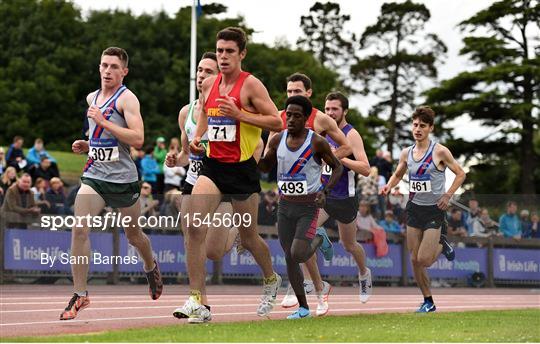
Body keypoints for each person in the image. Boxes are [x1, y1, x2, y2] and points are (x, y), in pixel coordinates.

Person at [182, 27, 285, 321]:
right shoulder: (210, 84)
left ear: (242, 54)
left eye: (229, 51)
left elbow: (276, 122)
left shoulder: (251, 85)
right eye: (219, 51)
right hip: (213, 167)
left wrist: (240, 115)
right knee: (193, 227)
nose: (223, 56)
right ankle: (197, 302)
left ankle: (270, 278)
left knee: (249, 237)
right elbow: (204, 111)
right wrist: (197, 138)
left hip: (242, 171)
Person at [64, 47, 163, 320]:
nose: (107, 71)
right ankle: (80, 293)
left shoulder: (127, 99)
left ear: (124, 72)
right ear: (98, 68)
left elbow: (138, 139)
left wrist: (104, 122)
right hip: (95, 175)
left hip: (122, 180)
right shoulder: (91, 97)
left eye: (113, 67)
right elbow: (101, 136)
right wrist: (88, 145)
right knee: (79, 228)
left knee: (134, 236)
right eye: (104, 65)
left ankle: (150, 264)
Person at [258, 95, 343, 319]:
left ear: (306, 118)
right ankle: (304, 308)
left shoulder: (316, 142)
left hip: (308, 206)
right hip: (285, 205)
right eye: (289, 115)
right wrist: (252, 156)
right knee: (289, 256)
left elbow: (338, 167)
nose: (292, 119)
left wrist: (325, 191)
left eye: (297, 115)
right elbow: (266, 166)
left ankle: (319, 239)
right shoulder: (277, 140)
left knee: (297, 253)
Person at [274, 74, 352, 314]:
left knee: (299, 251)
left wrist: (314, 162)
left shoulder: (321, 120)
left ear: (308, 92)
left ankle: (317, 288)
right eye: (288, 91)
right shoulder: (280, 118)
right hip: (286, 198)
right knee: (292, 254)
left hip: (311, 197)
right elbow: (270, 150)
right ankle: (309, 297)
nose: (292, 94)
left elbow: (346, 147)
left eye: (297, 90)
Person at [292, 92, 373, 314]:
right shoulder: (321, 131)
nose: (330, 113)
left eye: (334, 109)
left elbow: (365, 168)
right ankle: (313, 284)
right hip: (323, 196)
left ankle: (364, 272)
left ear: (344, 111)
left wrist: (339, 158)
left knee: (349, 245)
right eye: (327, 109)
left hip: (345, 197)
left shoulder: (351, 134)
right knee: (303, 234)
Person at [380, 106, 466, 313]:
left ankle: (442, 244)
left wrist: (447, 195)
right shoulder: (406, 153)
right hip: (414, 209)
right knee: (414, 259)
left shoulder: (440, 151)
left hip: (434, 210)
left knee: (424, 260)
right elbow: (398, 174)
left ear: (430, 128)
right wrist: (389, 185)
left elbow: (461, 173)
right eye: (415, 125)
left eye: (423, 126)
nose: (418, 129)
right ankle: (428, 301)